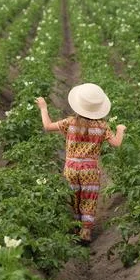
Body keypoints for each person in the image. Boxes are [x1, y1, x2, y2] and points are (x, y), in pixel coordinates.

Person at [35, 83, 126, 243]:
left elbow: (47, 126)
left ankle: (75, 227)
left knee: (74, 198)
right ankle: (85, 231)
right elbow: (117, 143)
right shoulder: (102, 126)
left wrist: (43, 107)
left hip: (71, 167)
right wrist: (120, 129)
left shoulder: (70, 122)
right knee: (88, 199)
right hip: (90, 170)